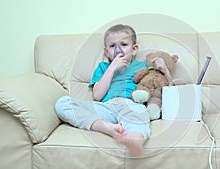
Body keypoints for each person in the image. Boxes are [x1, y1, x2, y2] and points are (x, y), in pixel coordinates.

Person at [54, 24, 172, 156]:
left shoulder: (143, 66)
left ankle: (135, 141)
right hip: (106, 108)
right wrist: (112, 68)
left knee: (139, 115)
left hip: (132, 105)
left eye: (123, 44)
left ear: (134, 49)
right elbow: (97, 96)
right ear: (106, 52)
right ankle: (107, 128)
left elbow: (166, 90)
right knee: (62, 103)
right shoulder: (103, 67)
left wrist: (165, 70)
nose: (118, 50)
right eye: (112, 46)